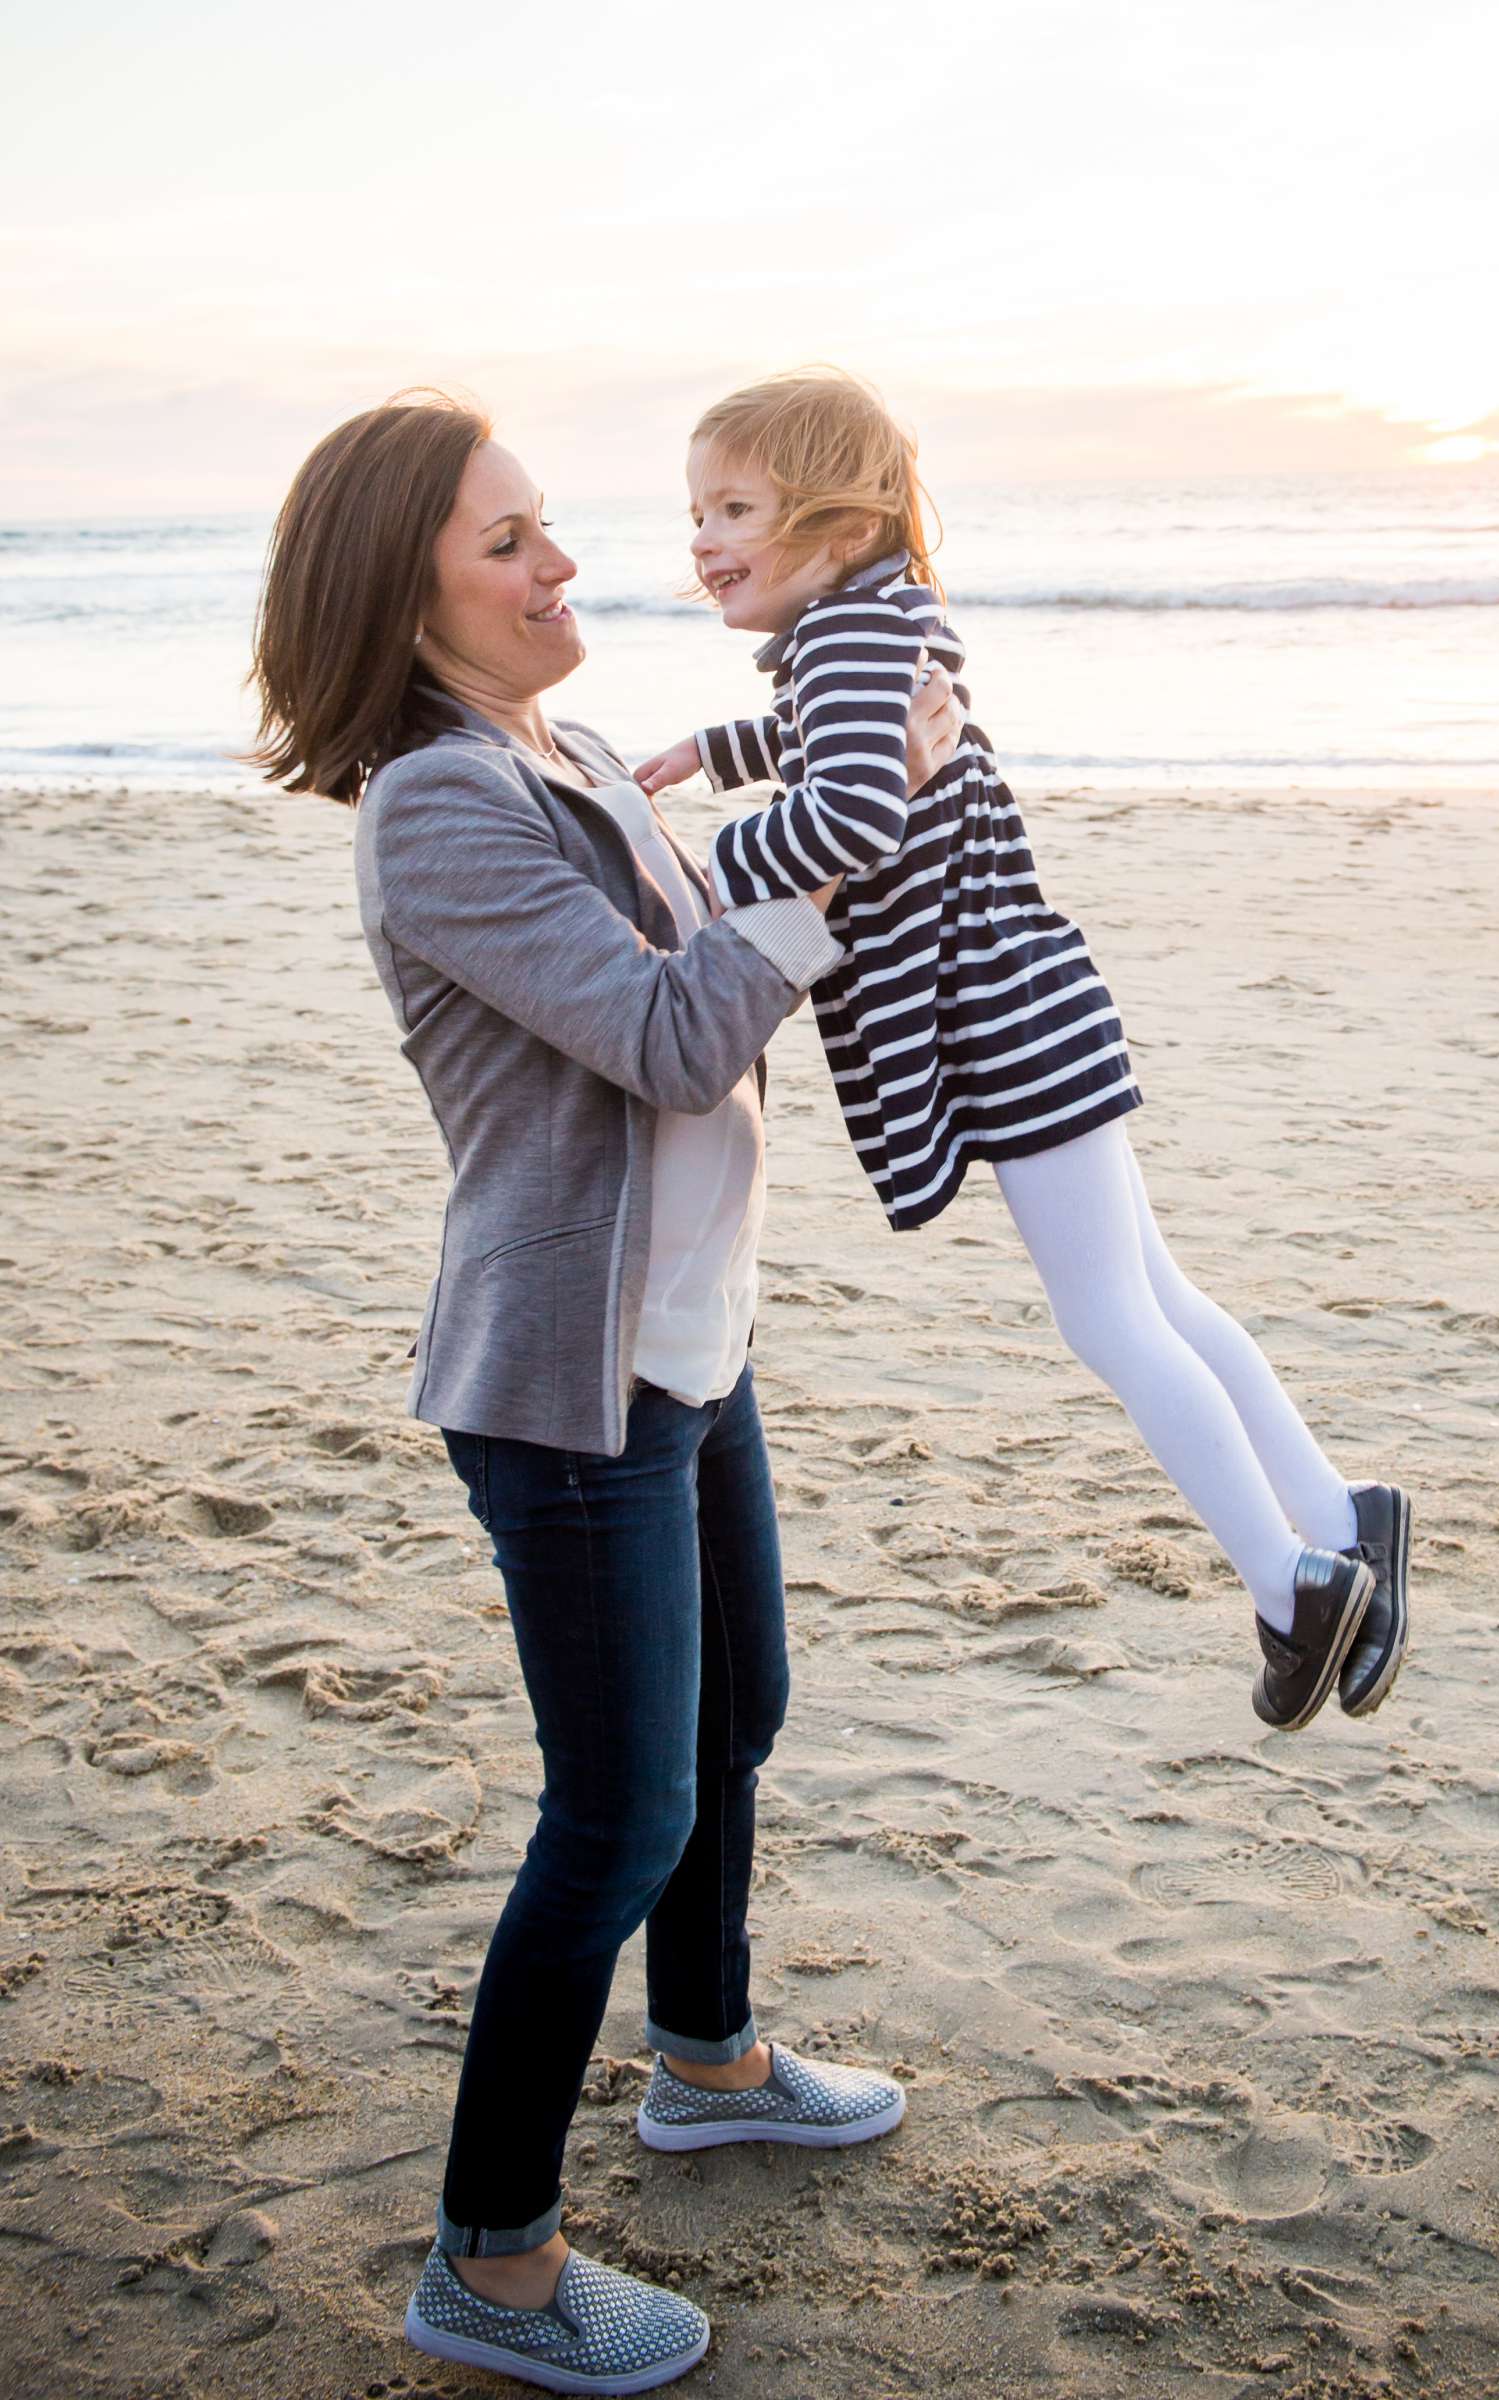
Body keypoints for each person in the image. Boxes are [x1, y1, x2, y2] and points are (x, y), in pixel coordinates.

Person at [249, 391, 961, 2394]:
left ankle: (713, 2063)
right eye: (510, 543)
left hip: (686, 1338)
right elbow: (665, 1032)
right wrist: (832, 870)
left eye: (550, 526)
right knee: (615, 1814)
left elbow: (737, 926)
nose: (564, 563)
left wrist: (856, 797)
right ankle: (489, 2259)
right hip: (568, 1387)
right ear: (407, 601)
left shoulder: (551, 750)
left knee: (739, 1714)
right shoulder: (438, 806)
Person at [637, 367, 1412, 1737]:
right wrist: (722, 743)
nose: (703, 537)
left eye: (735, 507)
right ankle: (1340, 1512)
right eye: (696, 509)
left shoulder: (851, 637)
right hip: (1030, 995)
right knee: (1156, 1294)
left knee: (1113, 1317)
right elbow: (848, 742)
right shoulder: (864, 629)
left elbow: (857, 806)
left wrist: (723, 855)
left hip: (1003, 1015)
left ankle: (1295, 1585)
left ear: (843, 525)